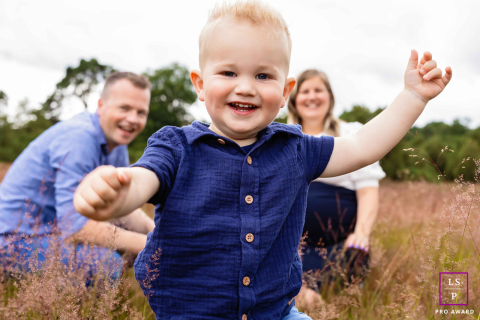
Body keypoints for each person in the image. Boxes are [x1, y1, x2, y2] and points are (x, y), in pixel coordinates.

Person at [73, 1, 452, 319]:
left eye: (263, 75)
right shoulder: (176, 146)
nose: (246, 86)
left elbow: (362, 147)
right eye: (228, 72)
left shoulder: (296, 149)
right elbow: (142, 180)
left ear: (285, 91)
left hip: (276, 312)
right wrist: (114, 192)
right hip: (191, 313)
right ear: (200, 84)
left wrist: (413, 98)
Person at [0, 72, 155, 274]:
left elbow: (121, 207)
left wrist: (158, 234)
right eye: (124, 108)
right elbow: (75, 228)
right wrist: (156, 246)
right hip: (15, 240)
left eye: (141, 112)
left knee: (134, 251)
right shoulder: (79, 139)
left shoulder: (118, 145)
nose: (132, 119)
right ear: (101, 105)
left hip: (53, 234)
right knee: (107, 265)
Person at [288, 70, 385, 297]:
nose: (312, 96)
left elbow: (368, 190)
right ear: (294, 100)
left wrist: (361, 233)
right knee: (304, 299)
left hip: (342, 244)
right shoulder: (285, 140)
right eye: (305, 91)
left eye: (318, 90)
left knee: (347, 298)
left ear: (329, 97)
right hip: (296, 248)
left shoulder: (351, 134)